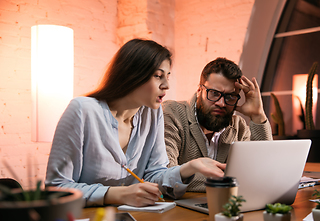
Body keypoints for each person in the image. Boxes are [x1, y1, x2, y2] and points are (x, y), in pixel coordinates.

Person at [45, 39, 226, 207]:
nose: (166, 85)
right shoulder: (82, 110)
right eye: (158, 76)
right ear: (133, 75)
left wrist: (189, 167)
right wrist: (116, 195)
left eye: (167, 76)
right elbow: (57, 188)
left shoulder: (153, 113)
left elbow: (155, 176)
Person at [163, 57, 273, 192]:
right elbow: (166, 175)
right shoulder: (172, 113)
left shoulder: (239, 127)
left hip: (225, 206)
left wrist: (258, 115)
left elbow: (263, 171)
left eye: (230, 96)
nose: (221, 103)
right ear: (199, 90)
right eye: (214, 93)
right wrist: (231, 180)